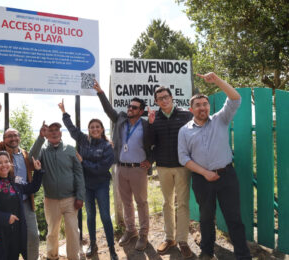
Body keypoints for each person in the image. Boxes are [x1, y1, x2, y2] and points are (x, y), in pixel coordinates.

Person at [178, 72, 252, 260]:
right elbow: (183, 158)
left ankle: (243, 255)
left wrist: (217, 80)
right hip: (202, 179)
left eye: (205, 104)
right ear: (191, 108)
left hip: (226, 176)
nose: (202, 107)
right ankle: (207, 251)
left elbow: (235, 99)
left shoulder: (221, 119)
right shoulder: (184, 131)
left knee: (234, 219)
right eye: (198, 105)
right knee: (206, 218)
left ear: (209, 106)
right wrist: (205, 173)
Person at [93, 80, 152, 251]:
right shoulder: (120, 119)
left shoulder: (147, 125)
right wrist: (100, 92)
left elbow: (156, 144)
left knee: (141, 202)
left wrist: (151, 160)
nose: (130, 109)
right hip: (121, 168)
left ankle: (143, 234)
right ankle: (131, 231)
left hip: (138, 169)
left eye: (134, 107)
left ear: (141, 111)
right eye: (129, 106)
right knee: (127, 203)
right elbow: (108, 109)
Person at [58, 99, 118, 260]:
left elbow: (101, 169)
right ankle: (93, 244)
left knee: (105, 216)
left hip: (101, 184)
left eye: (97, 127)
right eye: (92, 127)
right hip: (86, 185)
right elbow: (72, 130)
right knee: (90, 216)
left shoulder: (107, 146)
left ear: (102, 129)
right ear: (89, 130)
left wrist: (83, 161)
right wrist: (64, 112)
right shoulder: (84, 140)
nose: (95, 129)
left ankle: (112, 248)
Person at [0, 102, 40, 260]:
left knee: (33, 236)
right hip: (7, 204)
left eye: (15, 135)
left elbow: (33, 172)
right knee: (9, 240)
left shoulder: (24, 154)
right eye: (9, 135)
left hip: (25, 203)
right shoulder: (0, 151)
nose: (13, 138)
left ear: (19, 138)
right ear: (4, 139)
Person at [148, 86, 193, 258]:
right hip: (163, 166)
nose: (164, 100)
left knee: (182, 203)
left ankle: (182, 240)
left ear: (172, 97)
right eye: (160, 98)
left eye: (166, 97)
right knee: (167, 203)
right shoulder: (155, 117)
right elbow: (150, 142)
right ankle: (169, 238)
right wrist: (150, 125)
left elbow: (194, 137)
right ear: (156, 101)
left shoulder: (185, 115)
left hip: (182, 166)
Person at [30, 121, 85, 260]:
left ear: (60, 133)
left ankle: (74, 257)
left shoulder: (71, 149)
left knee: (72, 231)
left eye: (56, 130)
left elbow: (79, 174)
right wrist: (40, 138)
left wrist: (80, 196)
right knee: (52, 232)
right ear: (47, 134)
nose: (54, 132)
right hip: (51, 200)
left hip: (71, 199)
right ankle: (52, 256)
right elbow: (32, 159)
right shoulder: (42, 151)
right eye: (51, 130)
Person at [0, 151, 44, 260]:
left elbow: (33, 188)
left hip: (16, 235)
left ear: (10, 164)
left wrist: (37, 171)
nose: (4, 165)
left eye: (6, 161)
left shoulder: (15, 183)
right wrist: (5, 218)